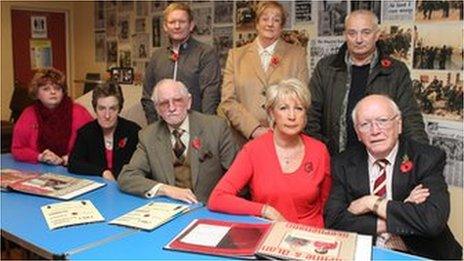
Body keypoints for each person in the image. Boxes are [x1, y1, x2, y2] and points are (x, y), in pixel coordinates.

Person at [324, 94, 462, 259]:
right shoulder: (343, 162)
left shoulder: (426, 158)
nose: (375, 130)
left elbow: (432, 220)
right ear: (358, 133)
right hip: (369, 253)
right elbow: (334, 221)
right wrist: (399, 213)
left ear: (399, 124)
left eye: (382, 120)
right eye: (365, 124)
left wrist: (371, 203)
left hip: (422, 253)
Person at [209, 79, 331, 227]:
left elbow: (326, 203)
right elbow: (218, 198)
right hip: (268, 234)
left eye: (299, 109)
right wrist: (265, 210)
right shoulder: (253, 150)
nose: (292, 116)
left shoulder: (319, 150)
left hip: (310, 237)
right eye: (283, 108)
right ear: (271, 113)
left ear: (305, 114)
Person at [306, 9, 428, 155]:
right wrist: (323, 152)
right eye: (352, 33)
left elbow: (410, 119)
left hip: (379, 162)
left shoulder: (396, 71)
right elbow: (310, 115)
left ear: (377, 35)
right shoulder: (326, 68)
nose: (358, 39)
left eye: (366, 32)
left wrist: (423, 161)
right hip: (335, 160)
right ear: (345, 35)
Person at [118, 79, 238, 203]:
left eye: (177, 100)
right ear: (157, 108)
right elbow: (127, 177)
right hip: (169, 210)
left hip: (210, 209)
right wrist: (165, 189)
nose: (171, 108)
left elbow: (239, 177)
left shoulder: (216, 127)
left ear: (189, 102)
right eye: (164, 103)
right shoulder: (148, 136)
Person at [219, 1, 309, 146]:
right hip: (245, 140)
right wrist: (254, 129)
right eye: (265, 18)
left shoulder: (296, 55)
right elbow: (228, 100)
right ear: (257, 24)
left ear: (282, 26)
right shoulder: (236, 56)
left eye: (276, 20)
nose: (270, 24)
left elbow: (301, 98)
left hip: (285, 139)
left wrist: (281, 128)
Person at [141, 3, 221, 124]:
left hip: (195, 128)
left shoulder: (205, 54)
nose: (177, 26)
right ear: (165, 26)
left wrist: (205, 129)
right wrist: (154, 126)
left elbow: (210, 95)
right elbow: (147, 96)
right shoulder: (157, 57)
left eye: (182, 22)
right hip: (162, 128)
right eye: (172, 22)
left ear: (191, 25)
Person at [11, 68, 92, 166]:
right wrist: (40, 157)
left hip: (73, 167)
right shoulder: (28, 114)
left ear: (63, 91)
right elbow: (17, 149)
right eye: (46, 89)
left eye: (57, 88)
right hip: (40, 169)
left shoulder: (79, 112)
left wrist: (71, 157)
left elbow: (93, 144)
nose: (53, 92)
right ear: (36, 93)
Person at [68, 82, 141, 180]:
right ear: (95, 108)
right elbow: (74, 163)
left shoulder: (133, 131)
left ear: (119, 109)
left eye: (112, 108)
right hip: (98, 189)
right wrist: (102, 172)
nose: (107, 115)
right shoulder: (85, 132)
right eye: (102, 108)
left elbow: (143, 167)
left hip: (126, 188)